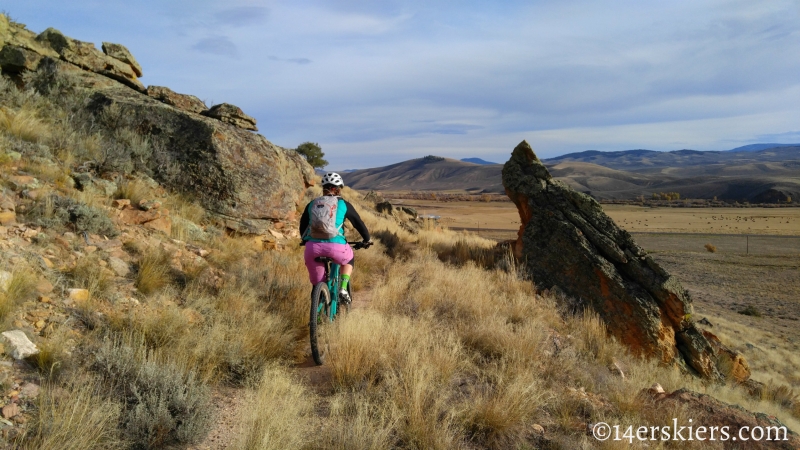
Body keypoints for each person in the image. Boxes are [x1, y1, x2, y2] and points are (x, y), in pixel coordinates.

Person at [299, 172, 371, 303]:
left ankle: (317, 315)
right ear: (338, 189)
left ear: (324, 188)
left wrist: (304, 240)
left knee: (317, 286)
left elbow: (303, 224)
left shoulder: (312, 203)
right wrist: (367, 239)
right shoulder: (343, 204)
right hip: (336, 247)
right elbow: (358, 223)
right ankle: (343, 288)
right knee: (349, 258)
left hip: (312, 248)